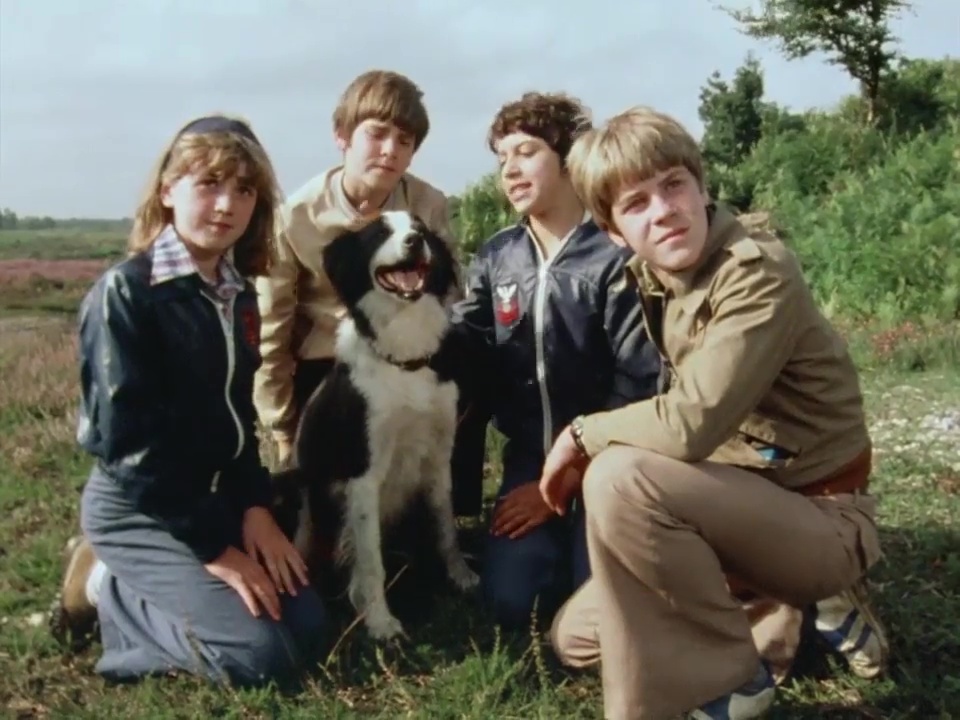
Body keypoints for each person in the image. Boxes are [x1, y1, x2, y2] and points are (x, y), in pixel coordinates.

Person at [537, 106, 889, 719]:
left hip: (819, 512)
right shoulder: (656, 275)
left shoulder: (756, 270)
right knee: (576, 638)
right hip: (738, 508)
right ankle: (780, 606)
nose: (663, 210)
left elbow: (690, 421)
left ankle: (730, 681)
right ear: (614, 230)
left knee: (620, 476)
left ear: (701, 188)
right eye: (636, 203)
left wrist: (581, 434)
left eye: (673, 185)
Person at [49, 114, 329, 690]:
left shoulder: (238, 294)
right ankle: (107, 588)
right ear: (167, 190)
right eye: (209, 184)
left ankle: (140, 586)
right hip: (140, 505)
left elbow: (238, 418)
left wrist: (254, 509)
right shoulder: (125, 294)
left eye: (244, 190)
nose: (227, 205)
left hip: (213, 494)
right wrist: (218, 551)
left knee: (308, 625)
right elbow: (130, 451)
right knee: (259, 658)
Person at [450, 92, 661, 631]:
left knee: (607, 603)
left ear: (570, 159)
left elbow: (641, 380)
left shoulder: (616, 255)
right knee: (511, 605)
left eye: (526, 152)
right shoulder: (498, 256)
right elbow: (466, 349)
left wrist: (567, 480)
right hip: (528, 459)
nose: (511, 170)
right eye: (502, 159)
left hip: (611, 457)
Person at [253, 70, 460, 480]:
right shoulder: (296, 218)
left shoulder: (427, 204)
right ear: (342, 136)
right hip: (330, 367)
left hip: (410, 356)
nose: (390, 151)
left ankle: (440, 505)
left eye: (405, 141)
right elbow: (272, 331)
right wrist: (281, 429)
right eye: (377, 134)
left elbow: (448, 294)